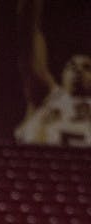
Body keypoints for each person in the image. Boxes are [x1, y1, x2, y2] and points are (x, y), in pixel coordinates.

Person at [15, 0, 91, 146]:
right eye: (71, 66)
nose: (78, 70)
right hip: (37, 165)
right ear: (62, 75)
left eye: (87, 67)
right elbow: (28, 33)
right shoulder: (47, 95)